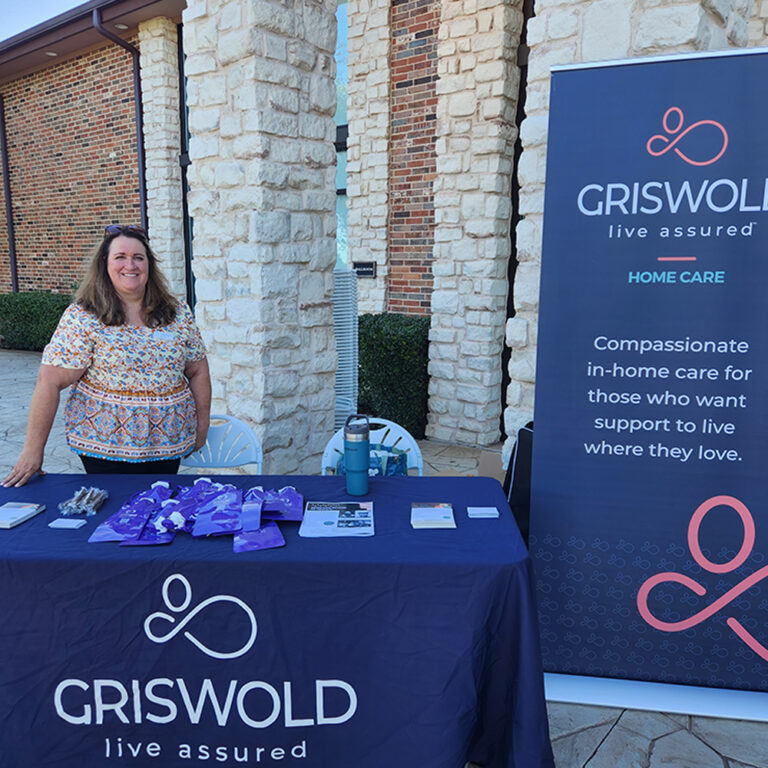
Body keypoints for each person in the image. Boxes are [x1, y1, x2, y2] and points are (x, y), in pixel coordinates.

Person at [3, 224, 211, 487]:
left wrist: (201, 424)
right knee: (114, 506)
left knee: (159, 502)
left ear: (149, 265)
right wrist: (33, 451)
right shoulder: (84, 316)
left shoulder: (177, 313)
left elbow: (198, 370)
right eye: (120, 257)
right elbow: (49, 381)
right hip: (105, 445)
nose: (130, 265)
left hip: (168, 441)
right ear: (105, 264)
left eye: (138, 257)